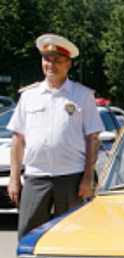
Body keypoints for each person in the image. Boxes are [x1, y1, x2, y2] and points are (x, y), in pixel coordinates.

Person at [7, 33, 104, 240]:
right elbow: (18, 139)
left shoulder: (82, 95)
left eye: (57, 60)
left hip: (71, 177)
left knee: (71, 235)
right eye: (46, 60)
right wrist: (14, 178)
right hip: (35, 177)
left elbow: (92, 139)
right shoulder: (29, 96)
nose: (50, 65)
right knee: (28, 235)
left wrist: (88, 177)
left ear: (68, 63)